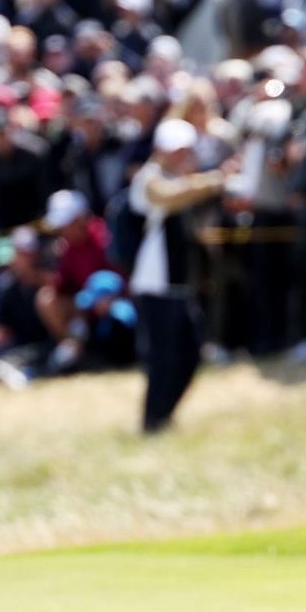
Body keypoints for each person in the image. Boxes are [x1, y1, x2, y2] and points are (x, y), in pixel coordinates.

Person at [129, 119, 226, 433]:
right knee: (162, 357)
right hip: (155, 283)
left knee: (190, 351)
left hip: (181, 283)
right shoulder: (150, 178)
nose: (181, 156)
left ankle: (165, 414)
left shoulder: (183, 179)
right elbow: (168, 196)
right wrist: (215, 179)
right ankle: (153, 421)